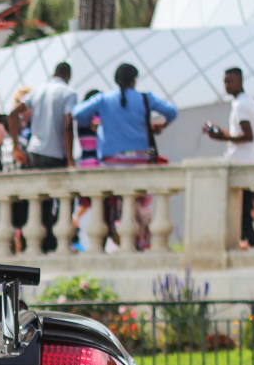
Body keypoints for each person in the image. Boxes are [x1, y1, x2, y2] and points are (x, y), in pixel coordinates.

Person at [72, 64, 178, 251]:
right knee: (140, 203)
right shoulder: (145, 98)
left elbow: (78, 114)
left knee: (115, 203)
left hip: (111, 161)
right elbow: (172, 112)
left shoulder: (104, 99)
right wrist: (161, 125)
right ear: (134, 80)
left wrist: (93, 124)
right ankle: (141, 242)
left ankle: (117, 235)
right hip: (140, 159)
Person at [203, 67, 254, 247]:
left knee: (243, 217)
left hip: (241, 165)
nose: (227, 85)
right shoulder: (248, 102)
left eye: (230, 81)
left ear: (240, 81)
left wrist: (221, 137)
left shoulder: (241, 105)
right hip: (249, 161)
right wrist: (222, 133)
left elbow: (247, 135)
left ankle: (252, 245)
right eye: (225, 81)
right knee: (244, 215)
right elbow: (241, 134)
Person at [10, 62, 77, 170]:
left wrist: (15, 147)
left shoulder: (38, 90)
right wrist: (70, 158)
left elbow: (12, 113)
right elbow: (68, 126)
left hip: (35, 151)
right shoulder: (69, 93)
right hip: (56, 153)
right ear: (68, 76)